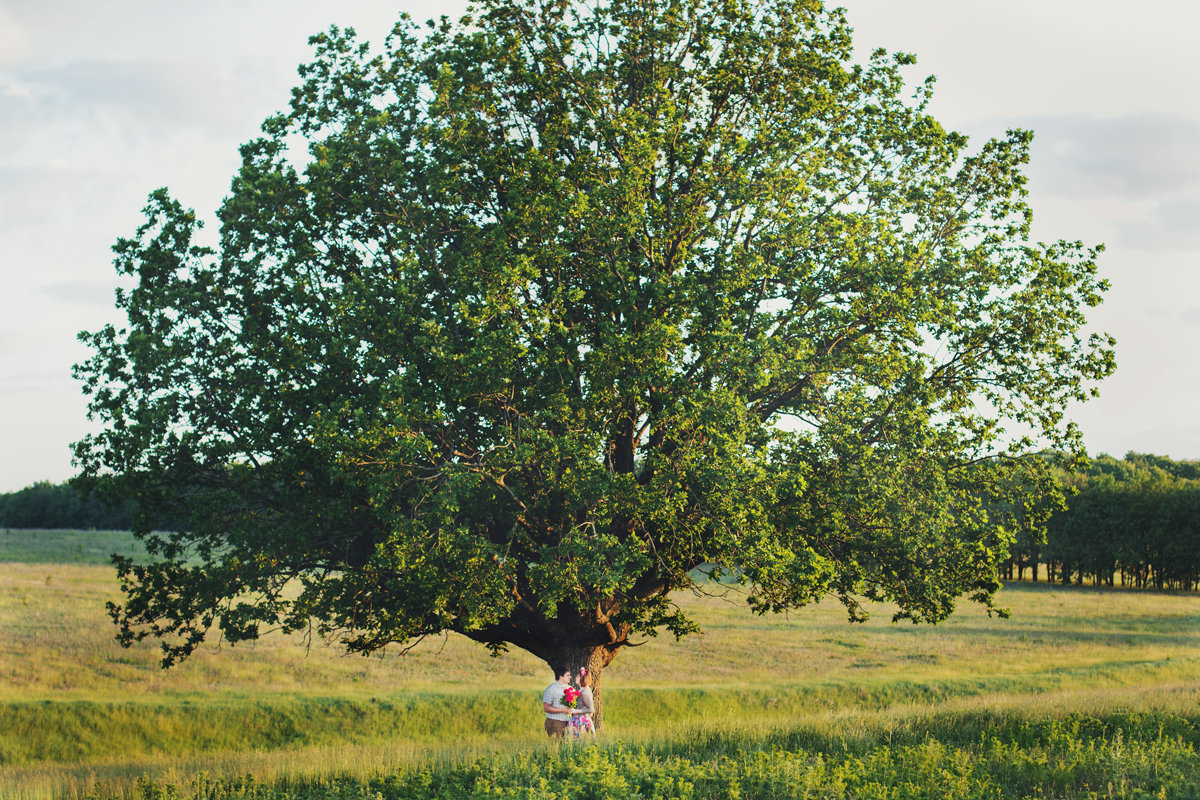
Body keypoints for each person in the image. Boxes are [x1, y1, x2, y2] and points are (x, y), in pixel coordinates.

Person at [542, 668, 576, 738]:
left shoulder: (571, 689)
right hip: (555, 722)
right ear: (561, 677)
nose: (570, 677)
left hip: (569, 723)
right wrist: (563, 710)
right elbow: (546, 708)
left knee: (567, 746)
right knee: (557, 746)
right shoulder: (551, 689)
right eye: (568, 675)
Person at [568, 667, 596, 739]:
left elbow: (591, 709)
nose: (575, 678)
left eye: (577, 677)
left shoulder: (586, 691)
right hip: (577, 720)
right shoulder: (581, 690)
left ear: (582, 678)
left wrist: (575, 711)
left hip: (582, 722)